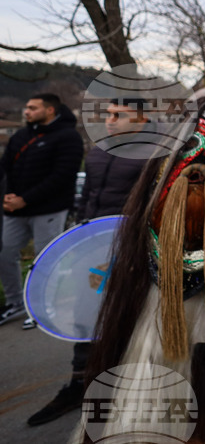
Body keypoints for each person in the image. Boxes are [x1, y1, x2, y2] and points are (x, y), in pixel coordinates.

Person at [27, 99, 152, 426]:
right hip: (91, 252)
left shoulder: (154, 155)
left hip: (129, 253)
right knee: (85, 315)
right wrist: (78, 242)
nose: (108, 121)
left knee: (128, 318)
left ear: (140, 119)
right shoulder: (96, 152)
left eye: (117, 116)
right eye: (107, 115)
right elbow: (87, 201)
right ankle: (79, 384)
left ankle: (126, 388)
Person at [0, 93, 83, 328]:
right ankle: (15, 303)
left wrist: (25, 199)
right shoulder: (21, 135)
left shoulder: (68, 137)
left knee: (45, 259)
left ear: (50, 111)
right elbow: (5, 167)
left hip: (49, 209)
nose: (26, 111)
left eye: (32, 108)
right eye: (26, 107)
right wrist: (6, 196)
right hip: (14, 210)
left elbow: (62, 176)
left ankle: (43, 305)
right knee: (5, 253)